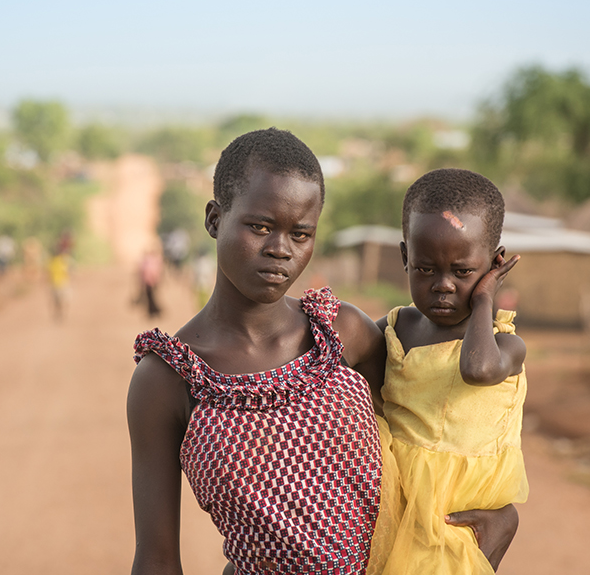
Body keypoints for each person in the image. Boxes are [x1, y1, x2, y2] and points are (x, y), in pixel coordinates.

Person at [128, 129, 518, 575]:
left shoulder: (342, 333)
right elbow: (156, 558)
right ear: (215, 219)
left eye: (301, 233)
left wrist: (502, 514)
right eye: (259, 226)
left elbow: (428, 441)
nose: (280, 250)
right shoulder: (167, 379)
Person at [375, 168, 529, 574]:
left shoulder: (505, 346)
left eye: (462, 272)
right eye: (425, 269)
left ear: (495, 264)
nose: (443, 285)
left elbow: (476, 370)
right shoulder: (395, 330)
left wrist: (483, 302)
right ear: (406, 257)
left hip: (455, 525)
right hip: (389, 508)